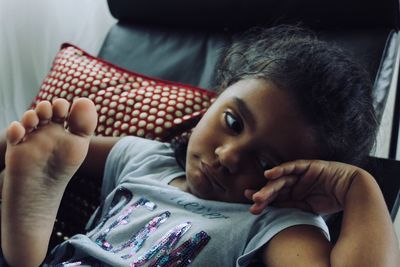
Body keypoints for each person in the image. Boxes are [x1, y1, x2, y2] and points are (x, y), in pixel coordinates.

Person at [0, 25, 399, 267]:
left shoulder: (277, 226)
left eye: (264, 161)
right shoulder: (146, 157)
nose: (227, 156)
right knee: (50, 153)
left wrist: (358, 186)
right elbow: (54, 149)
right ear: (217, 95)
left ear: (300, 177)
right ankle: (27, 236)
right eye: (232, 122)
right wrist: (41, 148)